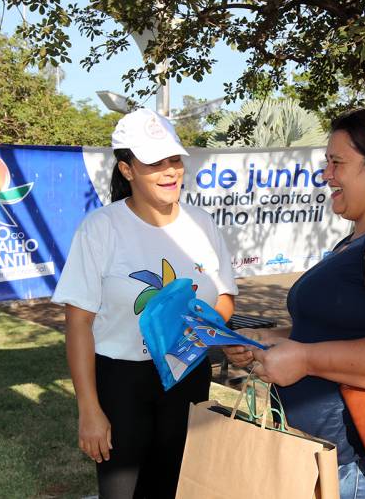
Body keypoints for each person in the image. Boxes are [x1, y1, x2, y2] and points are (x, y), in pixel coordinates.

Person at [225, 108, 365, 499]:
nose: (327, 175)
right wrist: (268, 338)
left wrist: (305, 359)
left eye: (337, 163)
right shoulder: (359, 241)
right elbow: (341, 330)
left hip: (364, 474)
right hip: (328, 461)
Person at [52, 108, 238, 498]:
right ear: (127, 169)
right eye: (154, 162)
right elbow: (79, 324)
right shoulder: (101, 229)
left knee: (176, 486)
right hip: (121, 382)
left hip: (187, 374)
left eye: (174, 159)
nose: (170, 170)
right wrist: (89, 409)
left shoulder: (202, 223)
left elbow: (223, 297)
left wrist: (196, 336)